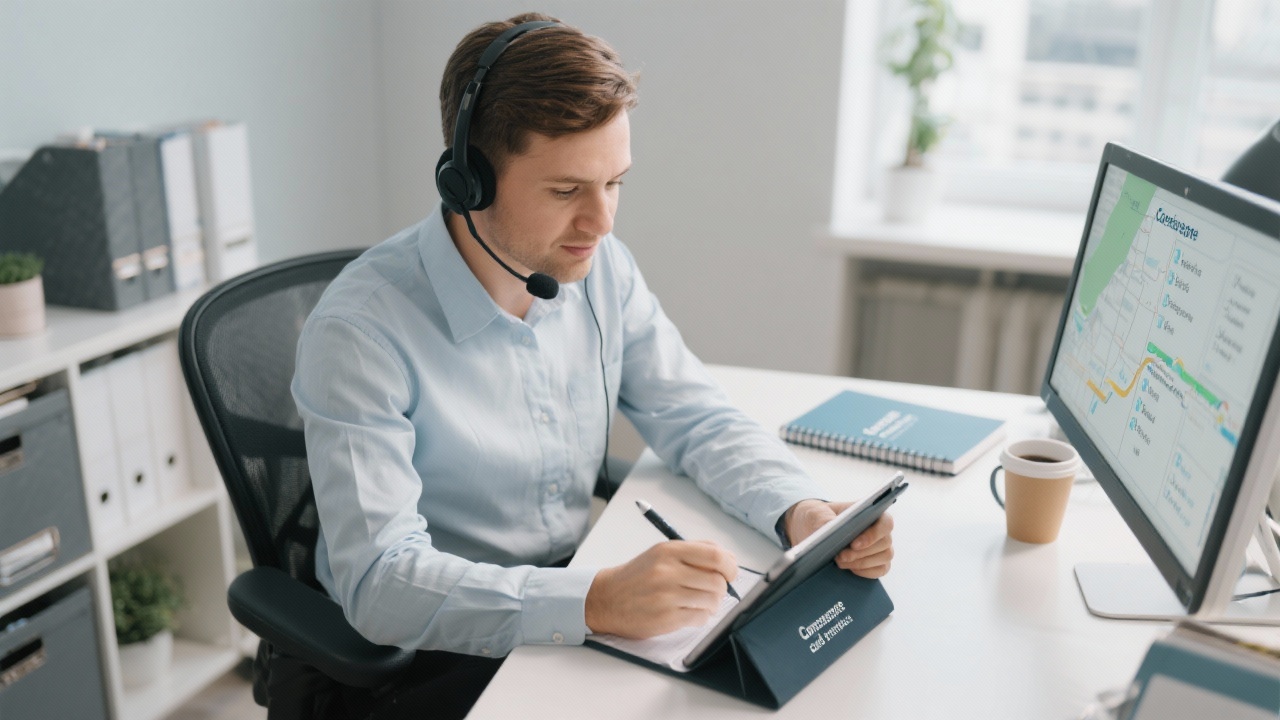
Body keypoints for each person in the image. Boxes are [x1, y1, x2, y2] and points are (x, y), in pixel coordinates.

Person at [291, 12, 894, 719]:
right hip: (435, 651)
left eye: (615, 183)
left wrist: (800, 511)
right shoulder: (361, 332)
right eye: (566, 190)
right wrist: (596, 600)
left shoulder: (598, 270)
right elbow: (381, 582)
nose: (603, 222)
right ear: (469, 181)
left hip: (572, 605)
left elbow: (691, 411)